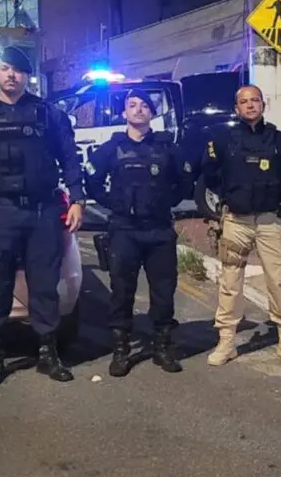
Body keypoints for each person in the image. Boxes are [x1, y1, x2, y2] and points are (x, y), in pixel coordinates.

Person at [0, 46, 85, 387]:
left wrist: (77, 199)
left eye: (18, 70)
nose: (12, 75)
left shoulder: (47, 113)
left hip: (42, 211)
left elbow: (69, 157)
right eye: (6, 68)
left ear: (27, 76)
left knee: (45, 286)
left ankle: (48, 354)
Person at [201, 85, 281, 367]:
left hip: (270, 221)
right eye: (244, 101)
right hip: (236, 221)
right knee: (230, 282)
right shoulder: (222, 140)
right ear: (236, 108)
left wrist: (277, 195)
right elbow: (210, 174)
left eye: (255, 100)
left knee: (280, 280)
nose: (250, 105)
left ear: (264, 104)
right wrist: (230, 195)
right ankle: (227, 343)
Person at [84, 89, 190, 376]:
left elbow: (185, 181)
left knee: (163, 292)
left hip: (159, 230)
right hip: (124, 230)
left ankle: (162, 347)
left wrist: (166, 202)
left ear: (152, 113)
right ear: (124, 113)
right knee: (121, 291)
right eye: (132, 105)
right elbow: (91, 179)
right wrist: (112, 203)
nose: (139, 109)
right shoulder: (111, 148)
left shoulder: (167, 147)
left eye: (144, 105)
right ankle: (121, 350)